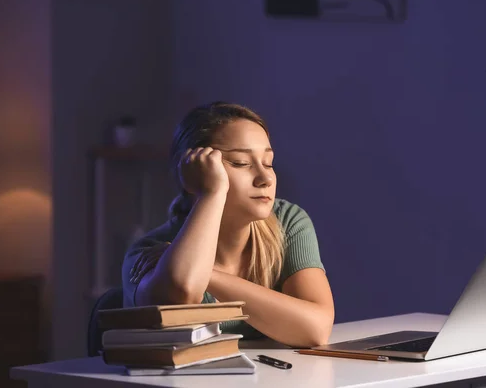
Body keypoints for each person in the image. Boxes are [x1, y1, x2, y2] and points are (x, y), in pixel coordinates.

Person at [122, 102, 334, 348]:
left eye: (268, 163)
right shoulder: (148, 252)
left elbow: (315, 329)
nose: (265, 179)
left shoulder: (287, 221)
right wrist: (211, 193)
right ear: (193, 171)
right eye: (241, 163)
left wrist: (210, 276)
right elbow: (183, 290)